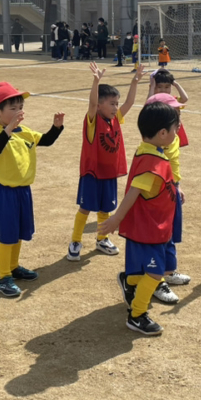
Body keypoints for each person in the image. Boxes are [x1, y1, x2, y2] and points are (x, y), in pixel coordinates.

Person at [100, 101, 181, 336]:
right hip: (149, 229)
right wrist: (116, 219)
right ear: (163, 133)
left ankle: (130, 282)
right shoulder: (152, 163)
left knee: (145, 269)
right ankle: (137, 315)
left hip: (154, 226)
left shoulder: (150, 150)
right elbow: (134, 191)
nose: (177, 132)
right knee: (156, 273)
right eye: (175, 128)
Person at [0, 82, 65, 297]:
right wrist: (8, 130)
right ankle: (3, 277)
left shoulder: (26, 132)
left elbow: (45, 141)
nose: (18, 111)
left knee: (19, 233)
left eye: (20, 106)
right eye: (12, 108)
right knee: (7, 237)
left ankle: (13, 267)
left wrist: (56, 128)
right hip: (5, 193)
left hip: (23, 192)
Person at [68, 62, 144, 263]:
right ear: (100, 104)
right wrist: (96, 81)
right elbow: (91, 105)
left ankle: (102, 239)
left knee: (105, 209)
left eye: (116, 103)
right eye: (111, 103)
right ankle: (75, 241)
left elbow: (129, 104)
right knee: (85, 208)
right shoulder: (93, 120)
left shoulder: (115, 119)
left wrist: (134, 82)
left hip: (108, 173)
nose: (115, 107)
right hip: (92, 173)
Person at [147, 70, 191, 300]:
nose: (178, 117)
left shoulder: (170, 135)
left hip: (173, 186)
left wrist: (178, 184)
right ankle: (157, 281)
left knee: (171, 232)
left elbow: (174, 164)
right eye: (174, 112)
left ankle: (168, 271)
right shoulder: (156, 141)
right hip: (161, 190)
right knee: (160, 233)